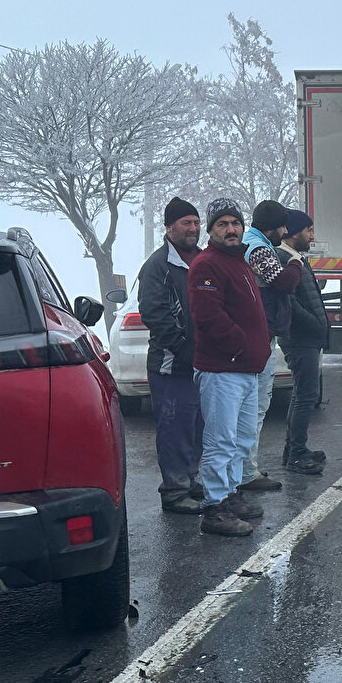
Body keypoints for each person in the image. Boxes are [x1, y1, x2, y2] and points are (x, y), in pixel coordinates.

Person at [188, 198, 271, 536]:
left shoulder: (239, 263)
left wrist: (257, 350)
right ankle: (214, 508)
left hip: (247, 369)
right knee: (221, 440)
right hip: (222, 369)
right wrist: (240, 345)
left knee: (241, 438)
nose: (231, 229)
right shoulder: (206, 264)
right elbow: (208, 316)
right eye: (222, 224)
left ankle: (231, 494)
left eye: (235, 223)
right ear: (211, 230)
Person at [137, 197, 205, 514]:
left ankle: (191, 481)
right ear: (169, 227)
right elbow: (155, 314)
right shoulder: (157, 266)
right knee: (175, 429)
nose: (193, 228)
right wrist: (184, 348)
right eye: (185, 223)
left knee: (197, 427)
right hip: (172, 366)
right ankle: (175, 491)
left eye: (195, 222)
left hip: (204, 365)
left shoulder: (203, 260)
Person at [242, 200, 302, 487]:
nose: (285, 230)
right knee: (255, 407)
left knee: (250, 407)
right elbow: (284, 282)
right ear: (270, 227)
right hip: (258, 336)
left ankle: (244, 469)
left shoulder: (250, 242)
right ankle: (246, 472)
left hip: (255, 334)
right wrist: (293, 262)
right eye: (282, 226)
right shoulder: (259, 248)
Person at [277, 209, 331, 474]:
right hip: (300, 338)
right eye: (309, 230)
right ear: (294, 231)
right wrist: (315, 324)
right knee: (305, 395)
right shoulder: (284, 258)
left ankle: (294, 448)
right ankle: (296, 455)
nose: (312, 236)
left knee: (303, 393)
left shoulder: (296, 258)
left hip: (306, 337)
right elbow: (290, 303)